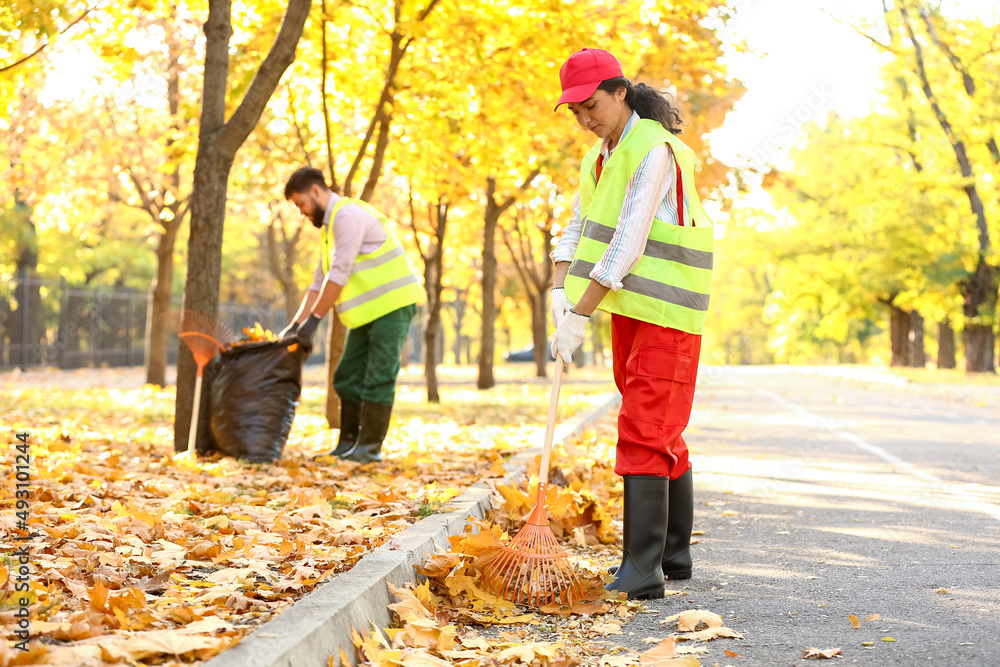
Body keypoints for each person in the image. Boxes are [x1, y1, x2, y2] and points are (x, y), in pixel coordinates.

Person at [549, 48, 713, 600]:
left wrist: (580, 311)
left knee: (644, 428)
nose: (584, 118)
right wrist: (556, 291)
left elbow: (627, 243)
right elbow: (577, 227)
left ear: (620, 92)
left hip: (668, 314)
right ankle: (674, 552)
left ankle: (643, 571)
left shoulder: (656, 151)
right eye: (574, 111)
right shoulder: (599, 157)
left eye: (590, 105)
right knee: (660, 426)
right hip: (632, 313)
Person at [280, 167, 420, 464]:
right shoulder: (330, 228)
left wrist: (315, 321)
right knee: (346, 376)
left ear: (315, 191)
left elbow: (338, 275)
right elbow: (319, 281)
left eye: (301, 204)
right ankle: (347, 446)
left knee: (378, 376)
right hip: (370, 312)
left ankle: (369, 449)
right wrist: (296, 325)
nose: (302, 213)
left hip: (392, 306)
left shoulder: (347, 216)